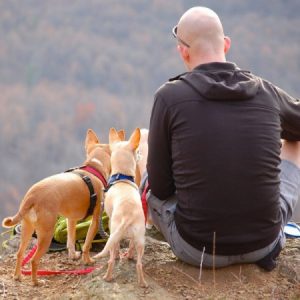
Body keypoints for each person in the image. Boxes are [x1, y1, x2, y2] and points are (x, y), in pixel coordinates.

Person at [146, 6, 300, 270]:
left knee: (147, 180)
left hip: (196, 248)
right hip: (264, 242)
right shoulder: (266, 93)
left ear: (183, 51)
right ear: (226, 44)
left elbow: (160, 188)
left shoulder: (168, 98)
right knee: (295, 142)